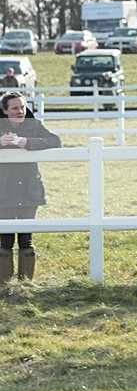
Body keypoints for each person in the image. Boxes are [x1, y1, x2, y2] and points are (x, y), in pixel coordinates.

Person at [0, 91, 62, 281]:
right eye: (15, 108)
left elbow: (56, 141)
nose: (20, 111)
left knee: (26, 236)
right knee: (6, 237)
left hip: (30, 188)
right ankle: (4, 282)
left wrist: (29, 143)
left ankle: (25, 281)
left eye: (23, 107)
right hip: (4, 190)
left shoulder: (34, 124)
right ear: (4, 111)